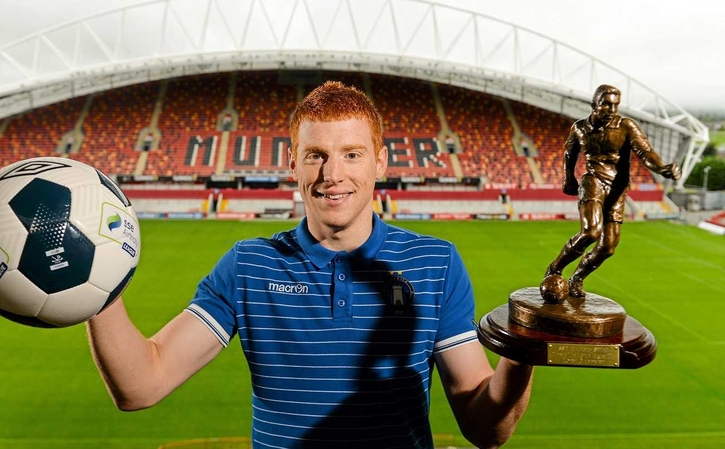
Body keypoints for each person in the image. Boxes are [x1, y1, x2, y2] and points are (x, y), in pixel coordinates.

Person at [87, 81, 533, 449]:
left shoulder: (435, 262)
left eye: (352, 154)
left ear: (380, 161)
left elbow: (486, 429)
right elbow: (141, 384)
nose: (331, 174)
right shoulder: (249, 265)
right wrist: (94, 282)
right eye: (316, 154)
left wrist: (521, 353)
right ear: (292, 163)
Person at [545, 84, 681, 298]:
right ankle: (554, 268)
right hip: (592, 181)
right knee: (591, 231)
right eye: (606, 104)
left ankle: (577, 278)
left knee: (608, 247)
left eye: (615, 105)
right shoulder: (580, 128)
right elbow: (569, 154)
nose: (611, 109)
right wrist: (569, 178)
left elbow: (646, 152)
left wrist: (662, 168)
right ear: (594, 104)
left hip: (617, 189)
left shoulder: (627, 126)